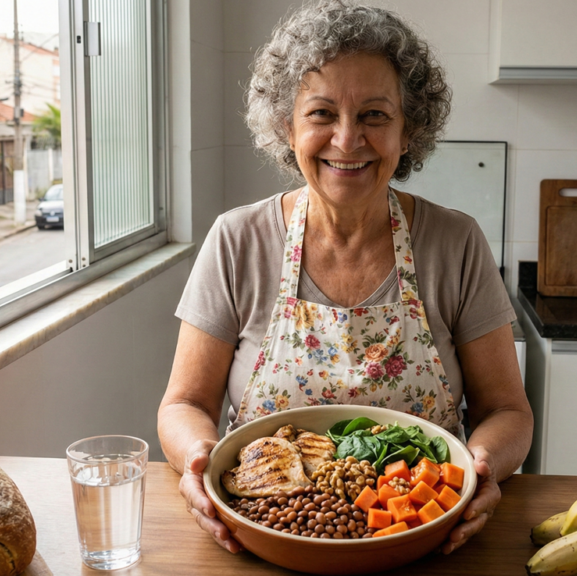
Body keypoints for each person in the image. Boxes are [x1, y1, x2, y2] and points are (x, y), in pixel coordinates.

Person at [158, 0, 532, 555]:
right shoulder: (237, 240)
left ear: (410, 131)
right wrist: (198, 458)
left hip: (421, 537)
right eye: (322, 113)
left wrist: (482, 467)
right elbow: (183, 403)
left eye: (375, 115)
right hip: (265, 537)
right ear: (287, 127)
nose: (347, 139)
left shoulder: (455, 242)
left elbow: (507, 411)